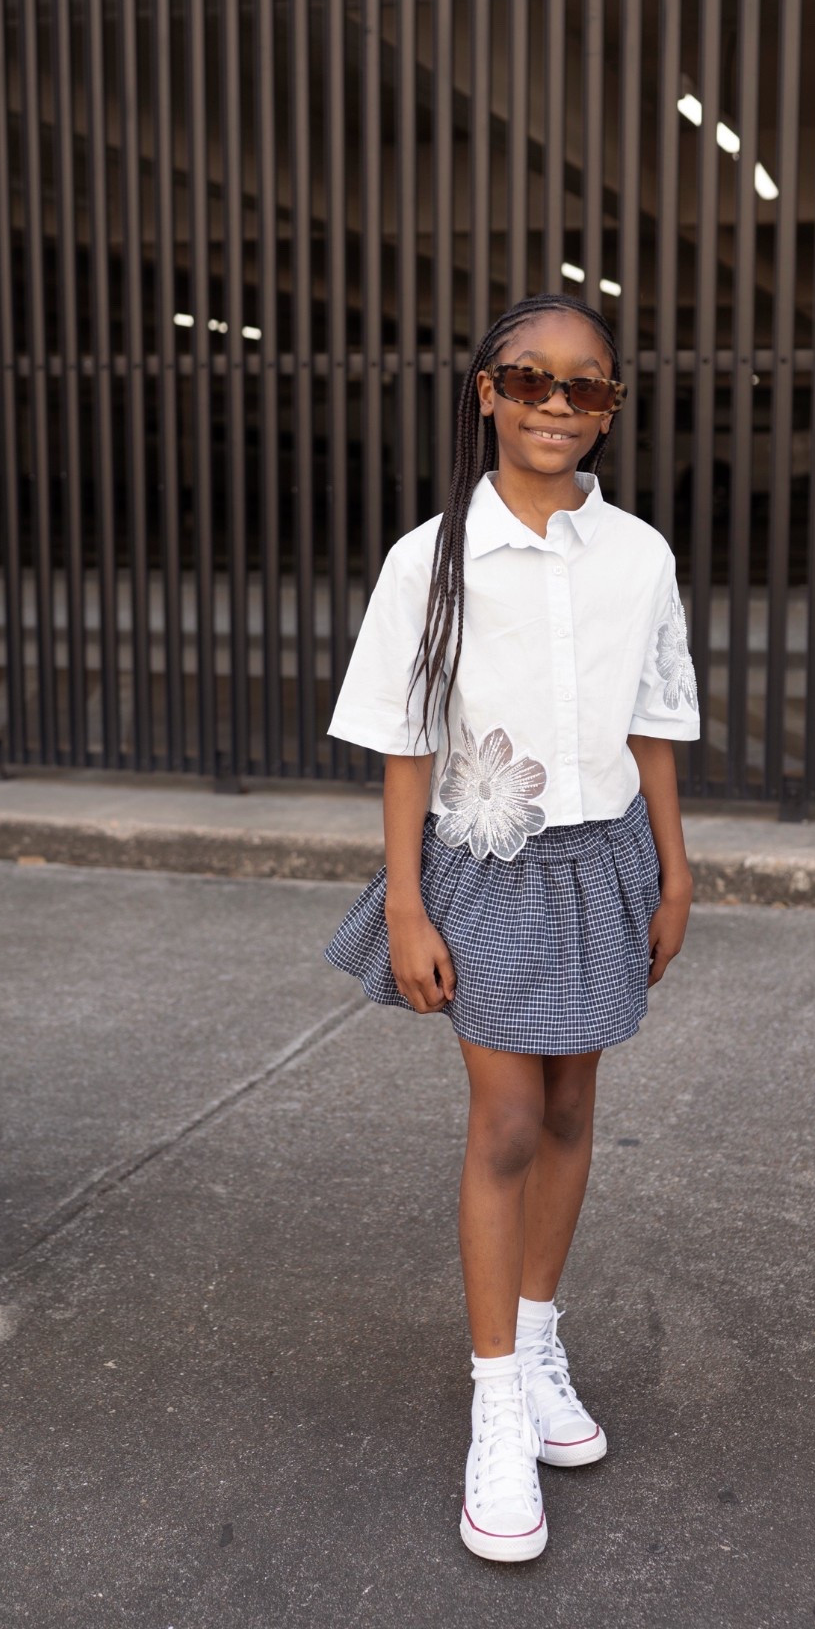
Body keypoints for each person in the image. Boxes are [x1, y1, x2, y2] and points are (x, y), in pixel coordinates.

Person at [324, 291, 700, 1563]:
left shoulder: (637, 555)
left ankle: (538, 1342)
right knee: (507, 1119)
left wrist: (675, 870)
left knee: (574, 1107)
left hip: (605, 860)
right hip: (486, 863)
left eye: (585, 384)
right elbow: (403, 741)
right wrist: (407, 899)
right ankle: (496, 1403)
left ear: (609, 408)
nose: (556, 402)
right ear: (486, 391)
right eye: (530, 378)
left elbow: (653, 719)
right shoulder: (430, 558)